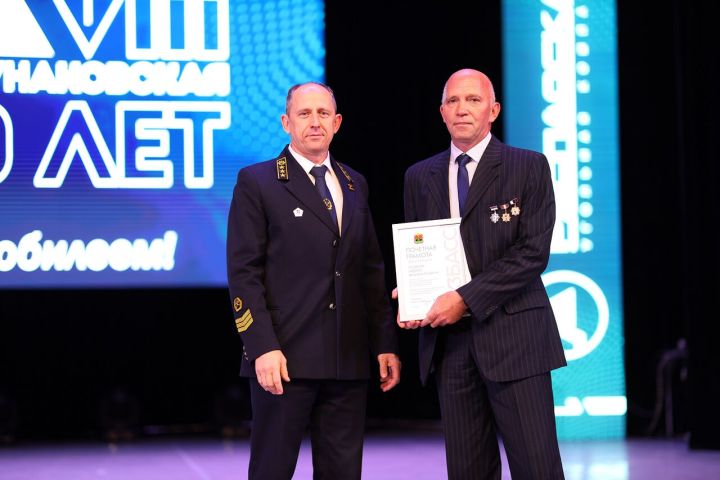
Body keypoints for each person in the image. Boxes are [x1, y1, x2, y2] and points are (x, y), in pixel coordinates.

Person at [226, 82, 401, 480]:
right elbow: (243, 273)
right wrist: (261, 347)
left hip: (346, 359)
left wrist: (385, 344)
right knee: (271, 471)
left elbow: (370, 272)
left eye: (323, 114)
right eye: (304, 114)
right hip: (283, 360)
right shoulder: (258, 181)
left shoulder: (354, 183)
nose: (315, 122)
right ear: (286, 122)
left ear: (337, 123)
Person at [398, 69, 566, 479]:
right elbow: (420, 249)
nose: (462, 109)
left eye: (473, 100)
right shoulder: (419, 176)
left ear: (493, 110)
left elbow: (532, 253)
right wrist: (413, 293)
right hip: (451, 349)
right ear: (441, 112)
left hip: (517, 341)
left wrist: (464, 298)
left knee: (537, 469)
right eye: (453, 101)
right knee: (468, 471)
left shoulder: (528, 166)